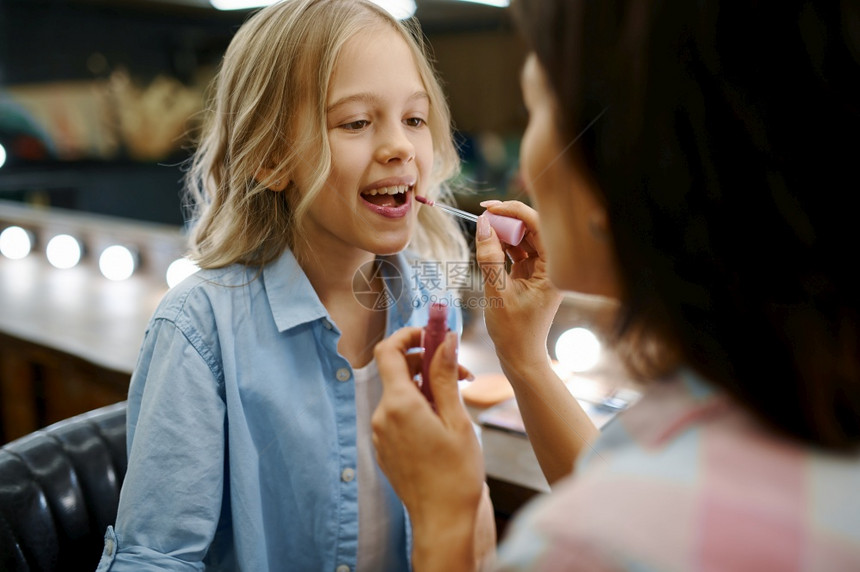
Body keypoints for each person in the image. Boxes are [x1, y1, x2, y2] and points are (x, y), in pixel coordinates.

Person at [371, 0, 860, 569]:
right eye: (357, 122)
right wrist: (524, 359)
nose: (527, 169)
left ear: (622, 163)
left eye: (537, 110)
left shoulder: (584, 546)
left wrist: (445, 517)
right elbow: (622, 476)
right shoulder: (796, 400)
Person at [96, 0, 492, 569]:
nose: (401, 146)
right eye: (357, 122)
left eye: (415, 119)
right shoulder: (199, 331)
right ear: (272, 157)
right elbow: (155, 558)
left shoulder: (433, 307)